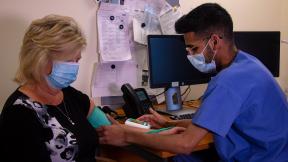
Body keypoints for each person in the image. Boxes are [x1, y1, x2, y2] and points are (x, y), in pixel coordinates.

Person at [97, 3, 288, 162]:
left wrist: (126, 135)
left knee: (175, 156)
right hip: (274, 153)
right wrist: (164, 123)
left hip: (261, 157)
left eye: (193, 48)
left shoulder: (228, 82)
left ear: (214, 42)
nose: (189, 55)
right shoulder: (248, 63)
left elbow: (185, 144)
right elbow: (210, 123)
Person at [0, 15, 99, 162]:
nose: (74, 67)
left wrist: (134, 132)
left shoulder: (67, 93)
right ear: (39, 60)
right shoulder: (18, 114)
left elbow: (107, 126)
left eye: (77, 60)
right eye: (68, 61)